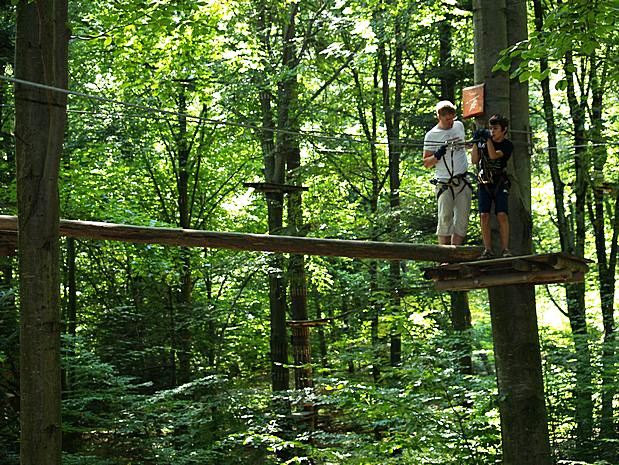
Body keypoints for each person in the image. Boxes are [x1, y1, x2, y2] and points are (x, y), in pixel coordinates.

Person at [423, 100, 473, 246]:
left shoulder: (459, 126)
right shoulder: (432, 135)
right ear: (439, 116)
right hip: (445, 182)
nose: (451, 122)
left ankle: (455, 253)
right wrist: (438, 154)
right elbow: (426, 163)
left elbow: (465, 145)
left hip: (462, 181)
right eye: (447, 119)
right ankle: (444, 257)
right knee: (445, 218)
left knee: (462, 220)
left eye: (452, 118)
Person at [471, 114, 514, 259]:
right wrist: (477, 142)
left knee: (502, 214)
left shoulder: (507, 145)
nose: (492, 131)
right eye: (490, 128)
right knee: (484, 215)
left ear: (504, 130)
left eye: (495, 128)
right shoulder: (484, 142)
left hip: (499, 181)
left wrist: (487, 140)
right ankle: (488, 249)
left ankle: (505, 249)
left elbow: (494, 155)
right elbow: (474, 160)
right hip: (484, 182)